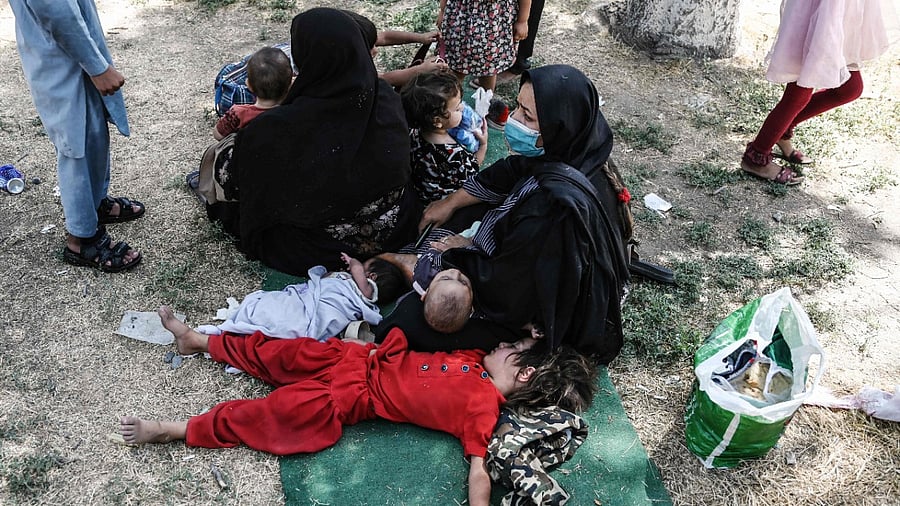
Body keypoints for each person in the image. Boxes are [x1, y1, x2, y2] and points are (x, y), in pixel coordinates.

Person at [119, 307, 598, 506]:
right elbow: (494, 324)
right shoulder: (475, 356)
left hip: (347, 398)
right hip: (353, 358)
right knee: (276, 352)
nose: (502, 343)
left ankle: (177, 429)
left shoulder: (483, 408)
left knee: (270, 414)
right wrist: (534, 336)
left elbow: (479, 470)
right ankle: (200, 341)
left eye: (513, 347)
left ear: (523, 374)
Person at [388, 65, 633, 363]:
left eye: (527, 116)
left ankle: (407, 265)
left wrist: (457, 252)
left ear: (558, 125)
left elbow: (508, 288)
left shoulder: (552, 210)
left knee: (412, 320)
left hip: (523, 302)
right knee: (460, 209)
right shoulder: (576, 149)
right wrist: (451, 202)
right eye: (518, 106)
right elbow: (509, 172)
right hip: (516, 256)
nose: (514, 119)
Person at [205, 8, 421, 276]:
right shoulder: (385, 98)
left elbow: (240, 181)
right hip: (395, 226)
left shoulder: (275, 128)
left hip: (319, 245)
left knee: (227, 156)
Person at [10, 0, 143, 273]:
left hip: (68, 51)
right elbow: (54, 9)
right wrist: (97, 67)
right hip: (58, 57)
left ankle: (95, 205)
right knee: (76, 141)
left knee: (93, 130)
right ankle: (81, 239)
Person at [740, 0, 899, 185]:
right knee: (799, 92)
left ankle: (781, 132)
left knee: (850, 88)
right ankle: (756, 157)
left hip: (843, 10)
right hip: (820, 10)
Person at [214, 13, 443, 115]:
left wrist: (420, 38)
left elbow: (382, 37)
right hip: (238, 91)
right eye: (368, 48)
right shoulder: (302, 71)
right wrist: (418, 71)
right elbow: (378, 80)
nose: (374, 51)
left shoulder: (331, 41)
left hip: (255, 69)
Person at [202, 253, 406, 341]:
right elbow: (325, 281)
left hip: (322, 309)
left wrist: (353, 261)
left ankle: (235, 328)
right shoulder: (352, 286)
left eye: (364, 267)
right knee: (283, 306)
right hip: (315, 299)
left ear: (372, 276)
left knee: (288, 314)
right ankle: (236, 328)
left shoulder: (367, 291)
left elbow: (356, 270)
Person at [401, 69, 488, 207]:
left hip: (416, 194)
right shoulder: (456, 155)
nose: (463, 108)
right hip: (442, 205)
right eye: (457, 109)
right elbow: (472, 172)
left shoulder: (413, 133)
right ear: (437, 121)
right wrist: (483, 145)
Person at [437, 0, 532, 92]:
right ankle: (451, 99)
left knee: (490, 66)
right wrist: (442, 11)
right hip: (461, 18)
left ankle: (487, 99)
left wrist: (522, 21)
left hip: (494, 20)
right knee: (457, 65)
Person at [213, 47, 292, 140]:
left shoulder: (238, 113)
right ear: (290, 84)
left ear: (249, 85)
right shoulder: (293, 109)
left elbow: (218, 135)